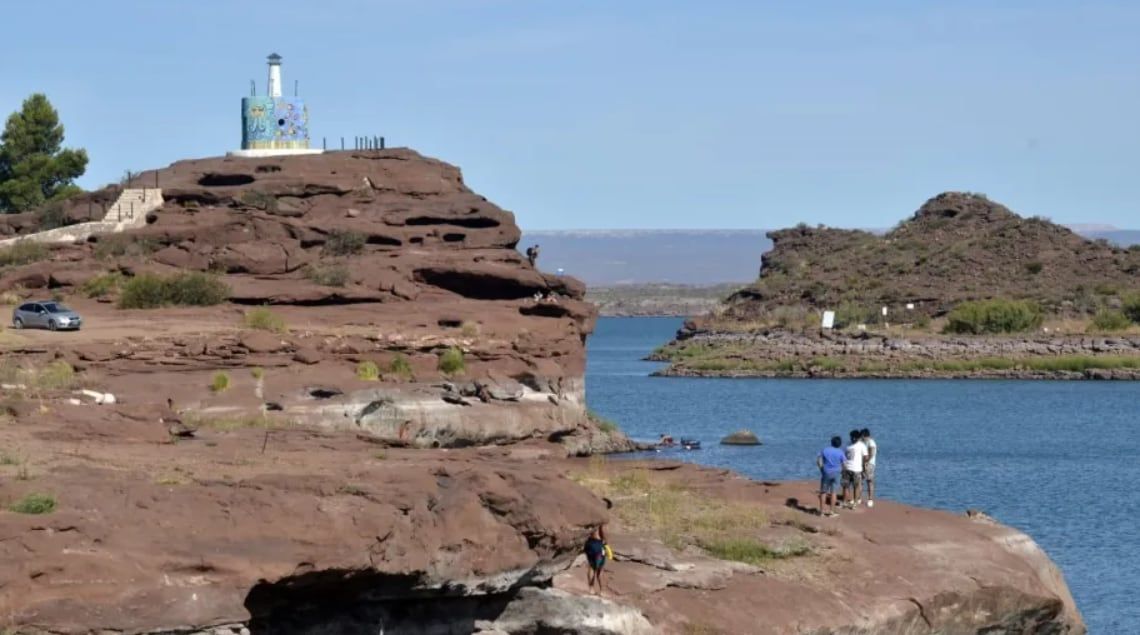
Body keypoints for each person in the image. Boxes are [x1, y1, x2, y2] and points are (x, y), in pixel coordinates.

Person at [816, 435, 845, 517]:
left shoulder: (825, 450)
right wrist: (842, 471)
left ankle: (821, 512)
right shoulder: (840, 452)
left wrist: (821, 469)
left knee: (823, 492)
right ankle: (831, 512)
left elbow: (818, 460)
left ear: (831, 442)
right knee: (834, 492)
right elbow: (844, 463)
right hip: (836, 473)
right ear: (839, 444)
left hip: (826, 472)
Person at [841, 429, 868, 508]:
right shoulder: (847, 445)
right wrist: (843, 466)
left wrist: (863, 465)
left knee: (856, 486)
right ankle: (845, 501)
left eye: (855, 438)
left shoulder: (862, 445)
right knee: (845, 486)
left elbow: (866, 457)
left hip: (857, 469)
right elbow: (843, 455)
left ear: (858, 438)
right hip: (847, 468)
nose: (853, 439)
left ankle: (855, 503)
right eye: (852, 437)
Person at [861, 428, 877, 507]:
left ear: (865, 436)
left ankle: (870, 499)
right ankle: (859, 497)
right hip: (862, 463)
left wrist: (866, 463)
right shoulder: (863, 442)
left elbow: (872, 453)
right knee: (860, 480)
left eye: (862, 436)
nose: (861, 438)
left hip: (870, 464)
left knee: (869, 481)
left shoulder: (871, 443)